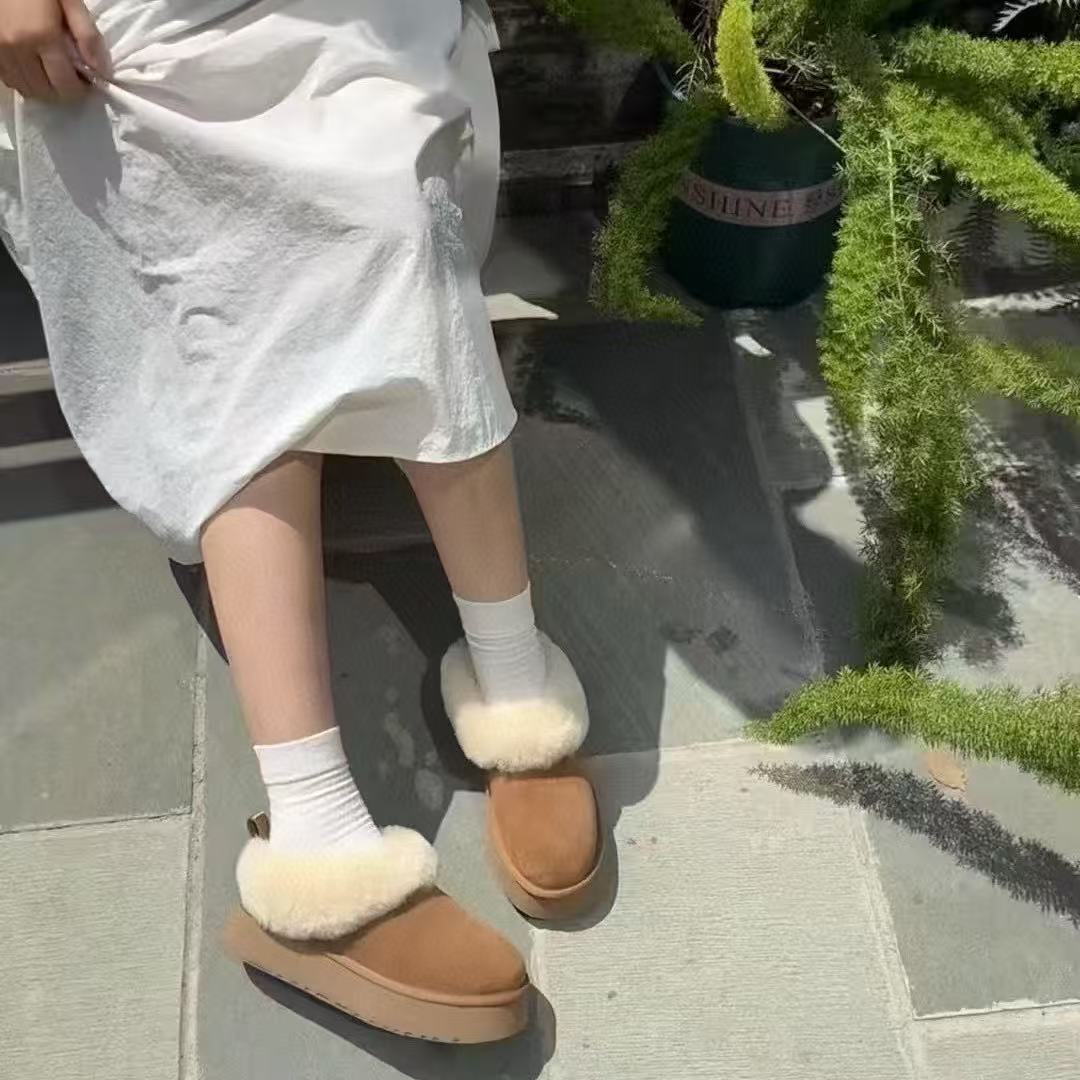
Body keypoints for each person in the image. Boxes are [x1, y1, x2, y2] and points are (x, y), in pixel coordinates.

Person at [0, 0, 601, 1044]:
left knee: (395, 219)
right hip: (120, 33)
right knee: (219, 295)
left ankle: (514, 678)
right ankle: (314, 835)